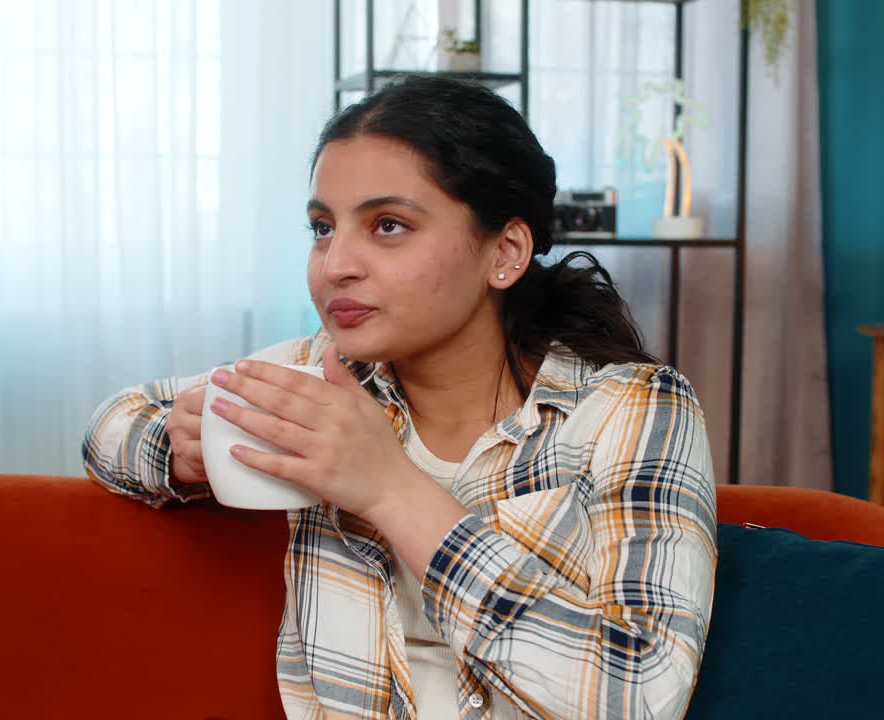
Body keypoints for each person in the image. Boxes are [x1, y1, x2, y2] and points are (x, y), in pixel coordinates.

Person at [83, 75, 717, 720]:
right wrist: (182, 451)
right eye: (322, 227)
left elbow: (639, 694)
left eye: (388, 225)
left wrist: (391, 489)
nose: (335, 265)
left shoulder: (630, 409)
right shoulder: (318, 380)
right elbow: (113, 425)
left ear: (506, 251)